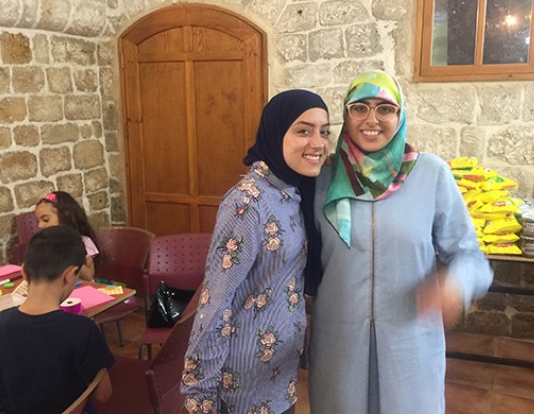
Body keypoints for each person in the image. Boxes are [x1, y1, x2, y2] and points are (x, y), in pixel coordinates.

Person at [307, 70, 494, 414]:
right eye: (359, 108)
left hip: (410, 346)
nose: (371, 120)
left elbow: (470, 257)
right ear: (346, 115)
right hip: (339, 345)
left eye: (385, 109)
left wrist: (455, 284)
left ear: (400, 115)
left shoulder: (431, 174)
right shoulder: (322, 180)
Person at [180, 89, 331, 414]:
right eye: (304, 130)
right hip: (242, 384)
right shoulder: (247, 203)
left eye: (324, 131)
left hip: (279, 377)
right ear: (276, 132)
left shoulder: (294, 191)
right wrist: (200, 393)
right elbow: (216, 301)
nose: (318, 142)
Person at [0, 225, 115, 414]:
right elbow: (103, 394)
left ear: (24, 272)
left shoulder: (0, 323)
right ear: (69, 275)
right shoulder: (83, 330)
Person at [35, 191, 100, 281]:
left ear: (65, 216)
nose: (40, 225)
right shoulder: (45, 243)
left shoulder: (84, 242)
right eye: (38, 221)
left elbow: (89, 276)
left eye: (45, 220)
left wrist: (68, 257)